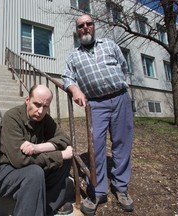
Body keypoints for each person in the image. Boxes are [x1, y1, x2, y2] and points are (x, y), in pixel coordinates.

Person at [62, 14, 134, 215]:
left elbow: (123, 67)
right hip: (95, 104)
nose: (85, 28)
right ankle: (97, 190)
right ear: (77, 31)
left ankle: (121, 188)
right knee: (95, 147)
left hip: (120, 98)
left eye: (88, 24)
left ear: (94, 26)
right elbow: (67, 77)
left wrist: (118, 86)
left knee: (122, 143)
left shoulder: (109, 45)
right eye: (81, 25)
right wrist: (75, 90)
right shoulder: (73, 56)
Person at [0, 84, 74, 216]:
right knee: (35, 173)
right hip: (3, 171)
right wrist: (60, 155)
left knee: (65, 161)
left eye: (45, 106)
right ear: (27, 100)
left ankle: (46, 206)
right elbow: (19, 160)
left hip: (29, 167)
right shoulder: (12, 118)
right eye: (37, 104)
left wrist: (39, 147)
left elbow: (64, 139)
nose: (40, 111)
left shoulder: (43, 118)